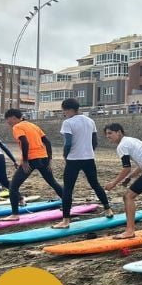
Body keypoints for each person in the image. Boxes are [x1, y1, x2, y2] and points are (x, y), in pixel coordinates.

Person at [51, 98, 112, 229]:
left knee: (68, 189)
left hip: (73, 159)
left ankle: (66, 221)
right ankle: (108, 209)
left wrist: (65, 155)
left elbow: (68, 142)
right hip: (89, 158)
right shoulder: (90, 121)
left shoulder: (68, 122)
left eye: (64, 111)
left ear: (69, 110)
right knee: (95, 184)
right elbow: (94, 141)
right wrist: (88, 151)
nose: (64, 113)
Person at [2, 109, 63, 221]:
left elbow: (25, 142)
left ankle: (15, 214)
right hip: (43, 158)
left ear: (13, 117)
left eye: (8, 119)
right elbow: (47, 142)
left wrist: (25, 160)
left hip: (31, 159)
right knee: (52, 182)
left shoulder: (17, 127)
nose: (7, 122)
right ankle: (67, 203)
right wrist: (49, 158)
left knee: (13, 186)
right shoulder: (33, 125)